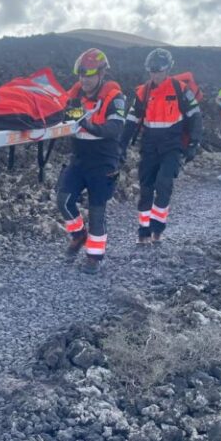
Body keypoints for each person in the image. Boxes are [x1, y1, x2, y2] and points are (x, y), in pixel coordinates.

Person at [120, 48, 203, 244]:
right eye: (151, 71)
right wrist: (121, 145)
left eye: (158, 70)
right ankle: (143, 231)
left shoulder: (180, 89)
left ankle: (158, 228)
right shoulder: (143, 92)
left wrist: (193, 143)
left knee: (164, 185)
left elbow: (196, 117)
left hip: (172, 146)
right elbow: (131, 120)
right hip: (149, 146)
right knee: (146, 188)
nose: (155, 74)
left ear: (167, 69)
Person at [57, 48, 126, 274]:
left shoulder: (115, 98)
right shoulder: (74, 95)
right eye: (81, 75)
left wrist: (86, 124)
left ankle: (94, 258)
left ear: (101, 74)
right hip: (79, 158)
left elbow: (115, 128)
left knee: (97, 211)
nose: (83, 80)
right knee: (63, 200)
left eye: (88, 75)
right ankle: (78, 236)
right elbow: (61, 115)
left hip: (103, 161)